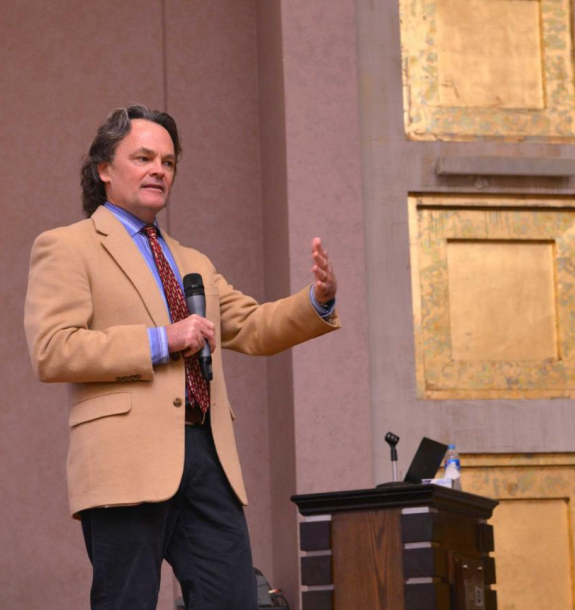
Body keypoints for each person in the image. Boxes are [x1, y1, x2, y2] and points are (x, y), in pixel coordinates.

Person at [24, 104, 340, 609]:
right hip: (125, 459)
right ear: (104, 169)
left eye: (168, 162)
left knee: (235, 599)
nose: (159, 170)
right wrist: (161, 340)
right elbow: (53, 349)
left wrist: (317, 300)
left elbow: (253, 326)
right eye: (144, 157)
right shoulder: (67, 246)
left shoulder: (193, 261)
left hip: (208, 455)